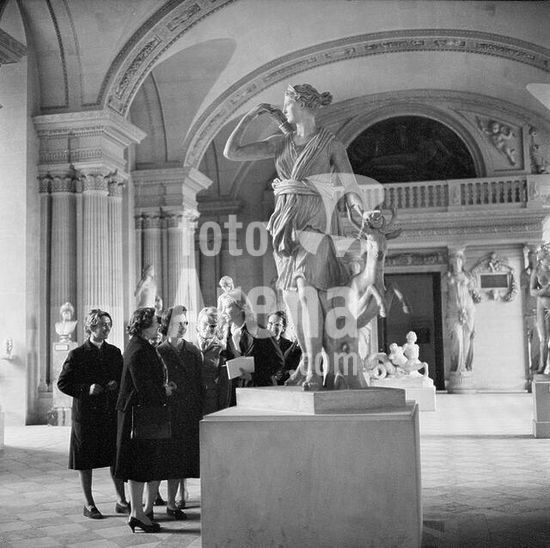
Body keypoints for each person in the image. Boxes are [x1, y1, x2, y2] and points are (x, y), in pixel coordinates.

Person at [224, 83, 368, 390]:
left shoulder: (330, 144)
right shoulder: (281, 142)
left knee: (306, 291)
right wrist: (249, 117)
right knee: (293, 300)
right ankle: (307, 362)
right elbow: (232, 152)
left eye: (287, 104)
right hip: (285, 225)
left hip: (316, 221)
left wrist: (360, 212)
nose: (284, 110)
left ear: (302, 105)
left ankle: (315, 367)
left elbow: (350, 185)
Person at [57, 309, 127, 519]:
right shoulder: (77, 354)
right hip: (86, 415)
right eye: (103, 325)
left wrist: (117, 383)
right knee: (85, 460)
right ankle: (89, 504)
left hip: (108, 413)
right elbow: (63, 383)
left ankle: (121, 500)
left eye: (109, 325)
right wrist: (86, 389)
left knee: (115, 457)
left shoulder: (114, 352)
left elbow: (123, 378)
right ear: (91, 326)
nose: (107, 328)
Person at [114, 307, 176, 534]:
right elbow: (143, 386)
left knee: (138, 466)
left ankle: (136, 513)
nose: (158, 327)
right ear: (144, 326)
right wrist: (165, 391)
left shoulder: (138, 345)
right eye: (155, 324)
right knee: (138, 465)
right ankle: (137, 514)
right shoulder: (139, 349)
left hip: (136, 414)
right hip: (138, 416)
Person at [157, 305, 203, 518]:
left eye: (185, 323)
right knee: (165, 456)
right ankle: (156, 499)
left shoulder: (192, 350)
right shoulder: (159, 351)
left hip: (187, 411)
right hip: (166, 411)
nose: (183, 327)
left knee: (180, 457)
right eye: (178, 323)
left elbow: (199, 384)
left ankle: (172, 502)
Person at [218, 288, 284, 408]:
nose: (223, 312)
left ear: (241, 307)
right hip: (238, 393)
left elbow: (278, 362)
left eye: (227, 307)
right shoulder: (228, 334)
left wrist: (253, 376)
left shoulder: (260, 331)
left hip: (261, 392)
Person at [447, 249, 480, 374]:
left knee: (467, 338)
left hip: (468, 310)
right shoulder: (448, 277)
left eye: (458, 262)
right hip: (453, 312)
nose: (456, 265)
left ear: (462, 263)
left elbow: (475, 294)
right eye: (454, 262)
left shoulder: (468, 277)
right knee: (457, 338)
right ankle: (457, 367)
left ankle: (465, 366)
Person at [197, 306, 224, 415]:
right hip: (191, 397)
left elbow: (223, 379)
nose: (208, 328)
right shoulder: (188, 344)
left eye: (213, 325)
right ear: (198, 325)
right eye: (205, 324)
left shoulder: (221, 348)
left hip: (211, 398)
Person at [530, 243, 550, 373]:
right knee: (544, 339)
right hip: (542, 307)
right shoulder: (536, 272)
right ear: (542, 259)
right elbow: (532, 291)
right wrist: (542, 291)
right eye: (548, 258)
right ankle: (542, 367)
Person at [267, 310, 302, 385]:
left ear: (283, 328)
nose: (273, 327)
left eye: (277, 324)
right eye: (270, 323)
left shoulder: (291, 346)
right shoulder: (259, 344)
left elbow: (295, 370)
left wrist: (284, 373)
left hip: (284, 386)